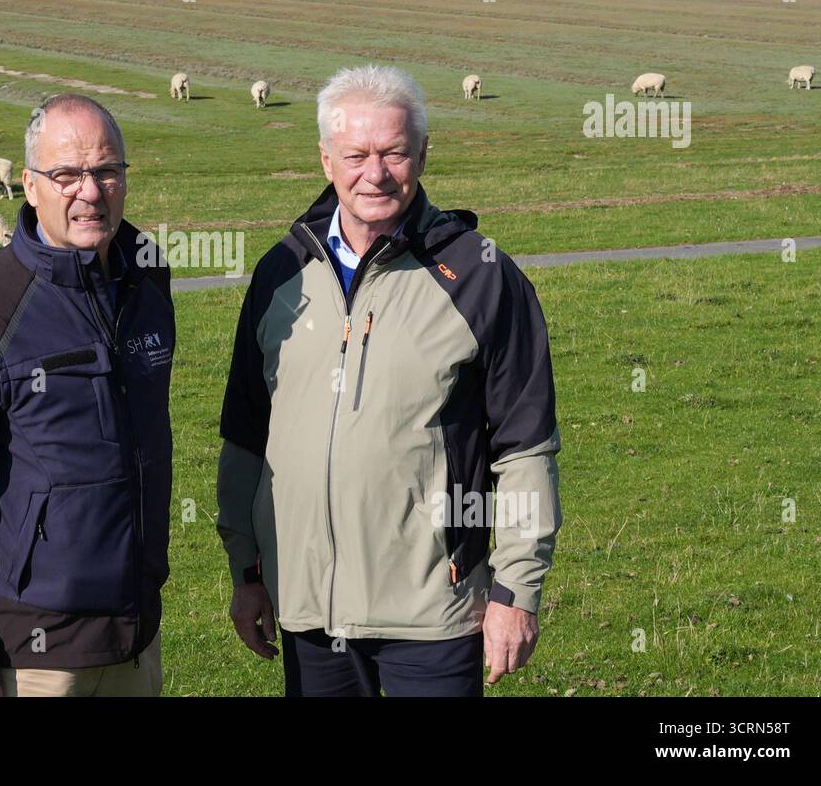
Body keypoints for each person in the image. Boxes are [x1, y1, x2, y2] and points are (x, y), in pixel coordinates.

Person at [216, 64, 562, 696]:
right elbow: (245, 437)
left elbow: (525, 446)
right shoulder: (280, 273)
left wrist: (516, 590)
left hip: (433, 614)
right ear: (325, 159)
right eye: (355, 154)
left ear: (424, 154)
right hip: (308, 612)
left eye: (394, 153)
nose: (374, 174)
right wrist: (247, 569)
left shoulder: (482, 277)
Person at [0, 92, 174, 696]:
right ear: (28, 184)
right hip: (34, 659)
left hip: (137, 639)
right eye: (67, 175)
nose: (90, 191)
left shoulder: (148, 276)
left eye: (106, 171)